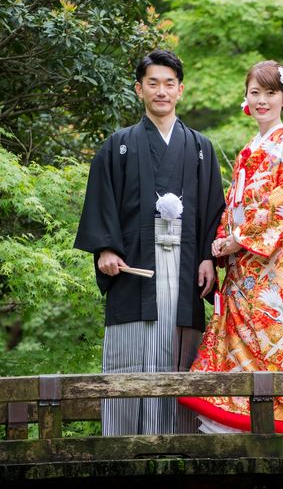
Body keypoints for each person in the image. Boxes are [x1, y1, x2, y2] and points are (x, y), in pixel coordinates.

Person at [179, 60, 283, 434]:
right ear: (246, 98)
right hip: (244, 262)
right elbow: (237, 201)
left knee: (274, 331)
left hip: (274, 260)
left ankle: (271, 423)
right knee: (240, 335)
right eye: (255, 93)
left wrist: (238, 238)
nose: (262, 101)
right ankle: (236, 422)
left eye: (270, 93)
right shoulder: (251, 146)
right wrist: (224, 239)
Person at [74, 49, 225, 436]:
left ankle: (178, 448)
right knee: (130, 352)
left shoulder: (200, 148)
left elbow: (213, 208)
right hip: (134, 266)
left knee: (180, 351)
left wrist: (208, 257)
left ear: (180, 90)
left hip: (186, 265)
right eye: (153, 83)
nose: (161, 91)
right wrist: (106, 248)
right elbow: (102, 198)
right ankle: (122, 447)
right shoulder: (119, 145)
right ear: (139, 89)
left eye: (169, 84)